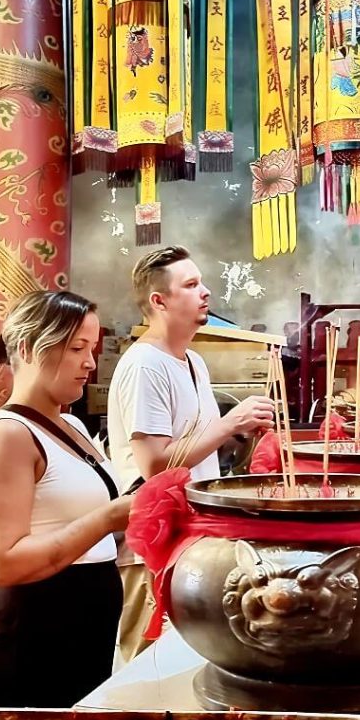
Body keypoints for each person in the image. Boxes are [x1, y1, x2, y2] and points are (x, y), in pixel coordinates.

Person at [108, 246, 276, 664]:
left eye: (201, 282)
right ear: (159, 301)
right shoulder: (145, 365)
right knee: (145, 657)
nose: (205, 292)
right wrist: (229, 423)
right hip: (152, 538)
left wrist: (241, 435)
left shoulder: (193, 361)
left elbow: (196, 443)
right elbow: (154, 464)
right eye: (190, 284)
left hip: (189, 528)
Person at [0, 290, 131, 708]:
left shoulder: (73, 426)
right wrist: (109, 518)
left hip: (84, 630)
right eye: (76, 348)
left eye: (91, 349)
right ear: (27, 348)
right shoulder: (8, 435)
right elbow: (2, 563)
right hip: (30, 637)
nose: (90, 363)